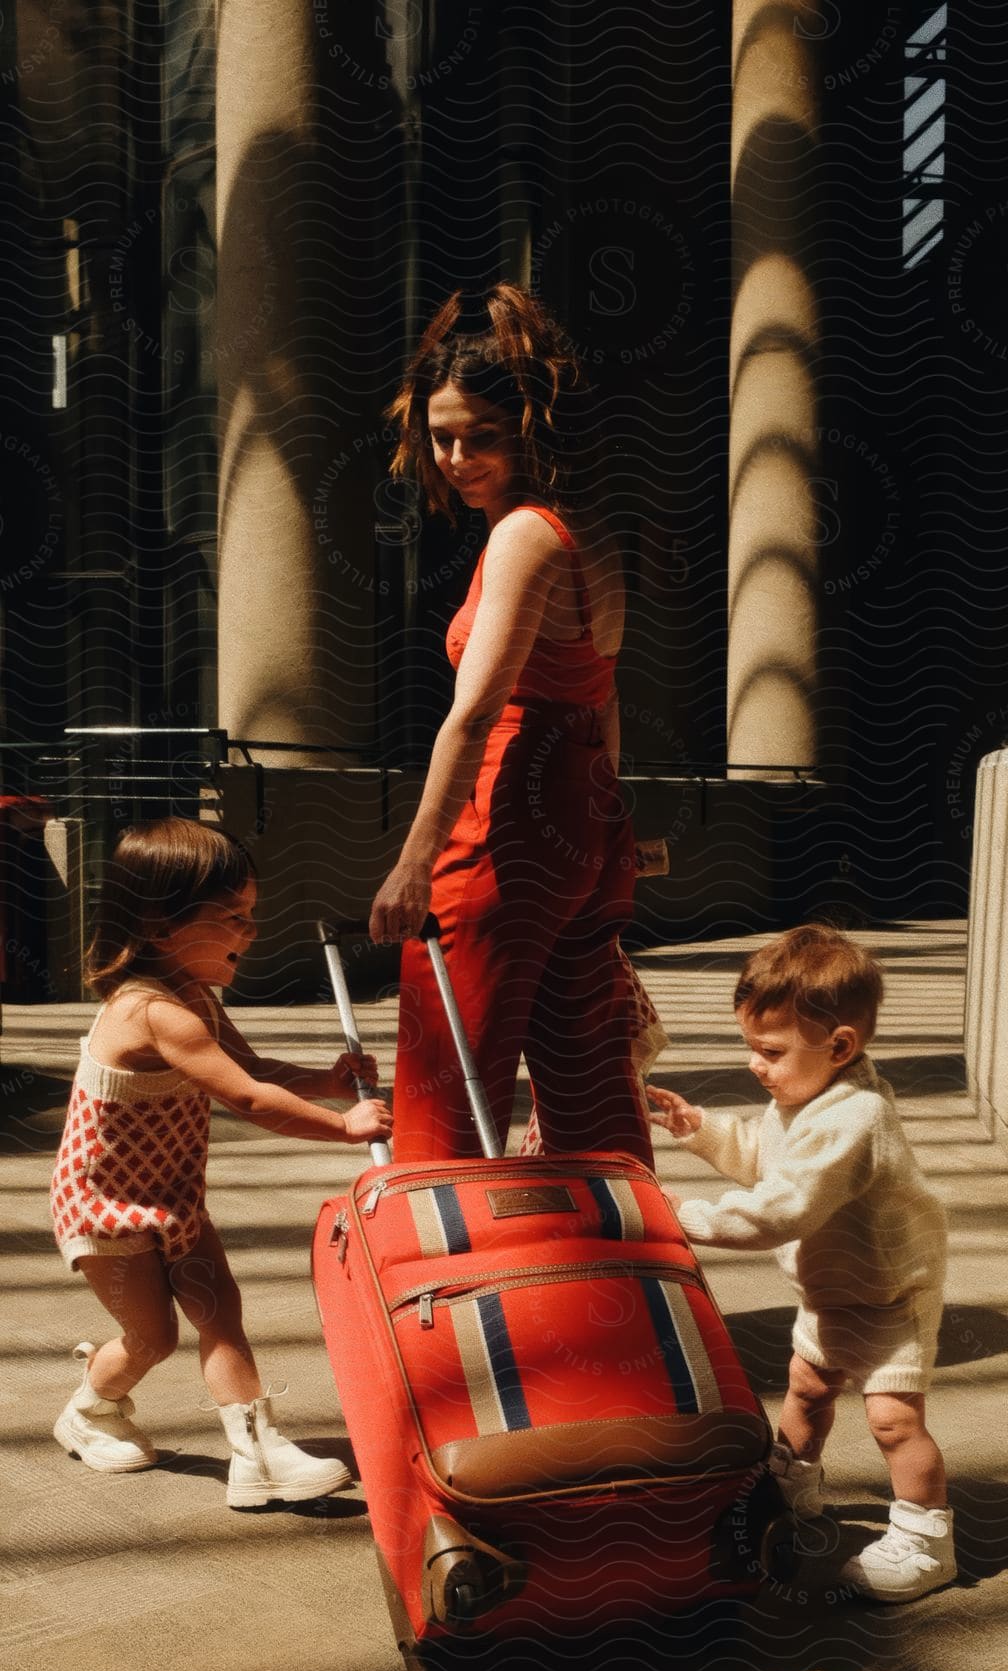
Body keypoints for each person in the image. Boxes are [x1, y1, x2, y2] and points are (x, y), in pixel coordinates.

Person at [369, 283, 653, 1167]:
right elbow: (603, 700)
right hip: (583, 823)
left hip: (506, 824)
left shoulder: (523, 535)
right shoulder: (589, 528)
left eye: (479, 435)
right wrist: (607, 825)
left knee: (449, 1068)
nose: (455, 456)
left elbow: (478, 711)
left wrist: (413, 863)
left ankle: (449, 1278)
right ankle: (625, 1264)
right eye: (439, 435)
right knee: (588, 1071)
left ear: (531, 427)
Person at [49, 818, 392, 1506]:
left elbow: (254, 1067)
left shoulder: (195, 995)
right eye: (231, 918)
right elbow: (245, 1096)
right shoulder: (150, 1011)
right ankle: (87, 1412)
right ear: (160, 922)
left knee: (220, 1313)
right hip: (104, 1204)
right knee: (150, 1337)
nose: (250, 931)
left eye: (251, 914)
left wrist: (324, 1080)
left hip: (171, 1193)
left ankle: (256, 1451)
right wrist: (343, 1126)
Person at [648, 925, 955, 1603]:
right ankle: (790, 1483)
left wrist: (682, 1216)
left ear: (840, 1046)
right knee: (808, 1388)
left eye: (770, 1051)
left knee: (893, 1420)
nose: (757, 1065)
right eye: (751, 1047)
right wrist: (701, 1130)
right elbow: (765, 1153)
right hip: (831, 1287)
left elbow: (781, 1208)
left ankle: (927, 1540)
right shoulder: (804, 1097)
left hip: (889, 1295)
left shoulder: (857, 1119)